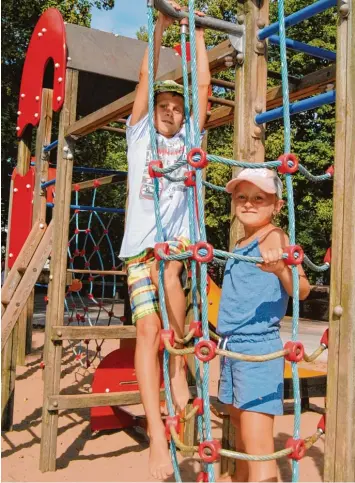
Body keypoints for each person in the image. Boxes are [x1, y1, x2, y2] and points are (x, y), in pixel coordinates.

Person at [119, 2, 210, 480]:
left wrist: (196, 26)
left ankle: (179, 372)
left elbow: (206, 89)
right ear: (153, 110)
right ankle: (156, 433)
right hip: (140, 250)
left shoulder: (190, 137)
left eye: (177, 108)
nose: (172, 113)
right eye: (165, 106)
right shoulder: (140, 138)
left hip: (179, 250)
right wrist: (162, 24)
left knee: (179, 328)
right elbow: (144, 74)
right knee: (150, 333)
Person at [217, 168, 311, 482]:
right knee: (243, 443)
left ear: (276, 206)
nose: (249, 203)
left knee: (259, 450)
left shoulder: (276, 236)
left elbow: (302, 289)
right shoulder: (241, 241)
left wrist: (281, 269)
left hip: (257, 350)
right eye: (242, 197)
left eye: (260, 198)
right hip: (231, 349)